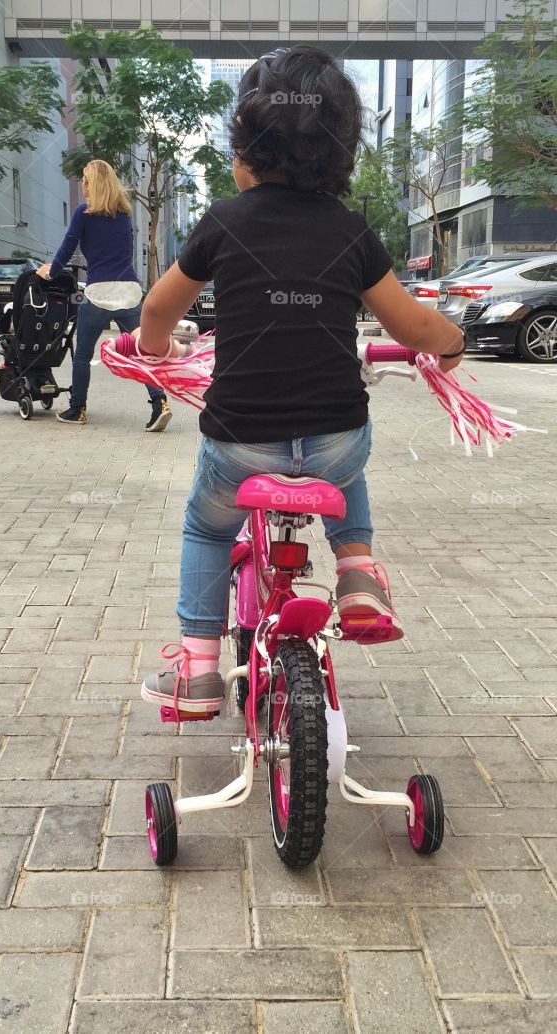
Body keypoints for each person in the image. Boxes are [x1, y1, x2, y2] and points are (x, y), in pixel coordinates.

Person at [130, 46, 466, 714]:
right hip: (333, 442)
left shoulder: (222, 221)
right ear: (338, 153)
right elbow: (412, 326)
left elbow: (156, 309)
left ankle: (197, 673)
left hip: (239, 443)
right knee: (348, 461)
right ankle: (358, 577)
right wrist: (452, 344)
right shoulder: (352, 230)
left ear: (245, 153)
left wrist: (151, 347)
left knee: (206, 529)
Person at [38, 160, 172, 431]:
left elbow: (68, 246)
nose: (83, 186)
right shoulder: (124, 214)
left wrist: (50, 272)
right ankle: (160, 402)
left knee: (82, 356)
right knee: (143, 352)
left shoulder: (83, 213)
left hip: (99, 292)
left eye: (85, 181)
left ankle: (78, 409)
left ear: (92, 185)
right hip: (130, 292)